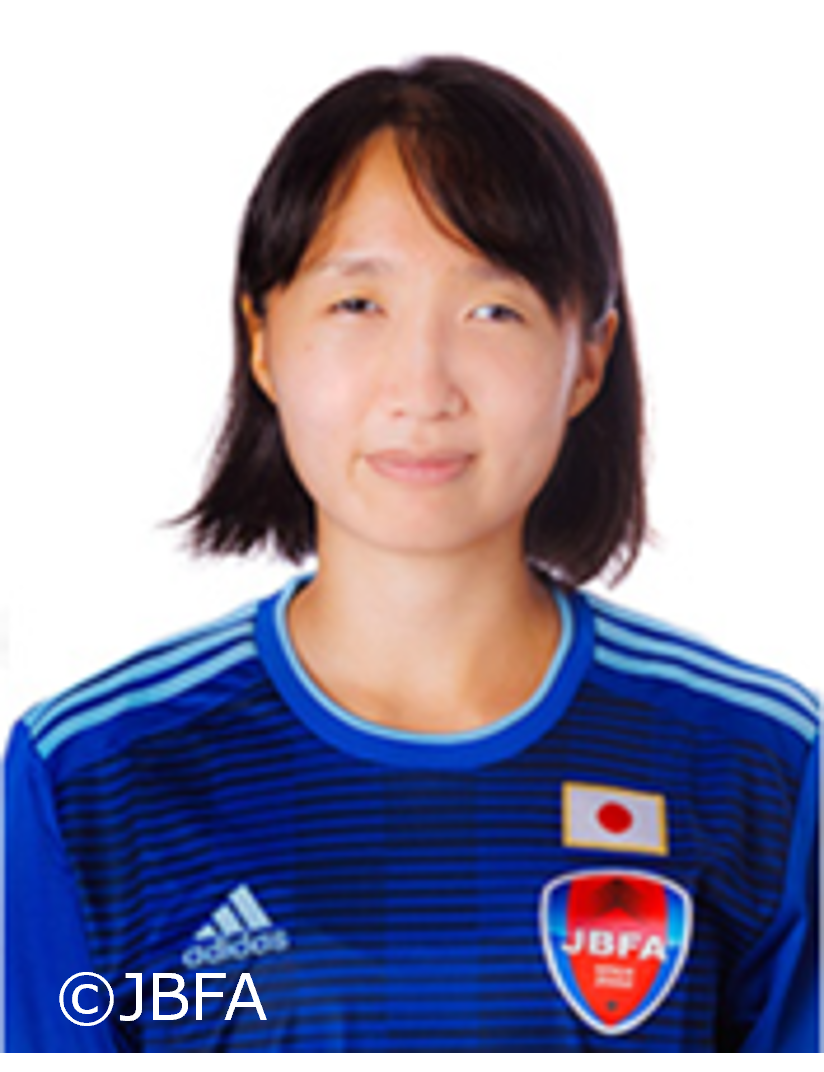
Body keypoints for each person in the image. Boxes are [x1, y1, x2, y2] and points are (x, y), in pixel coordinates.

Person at [5, 56, 818, 1053]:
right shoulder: (97, 778)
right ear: (262, 338)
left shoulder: (757, 766)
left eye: (493, 310)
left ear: (589, 357)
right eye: (358, 304)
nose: (422, 387)